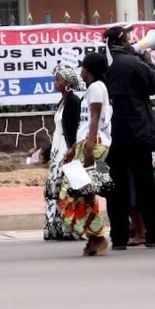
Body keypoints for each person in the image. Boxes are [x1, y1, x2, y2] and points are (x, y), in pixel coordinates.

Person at [102, 26, 155, 249]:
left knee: (115, 188)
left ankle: (119, 238)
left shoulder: (105, 63)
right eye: (129, 38)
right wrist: (148, 59)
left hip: (113, 135)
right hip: (137, 131)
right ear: (123, 41)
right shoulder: (132, 62)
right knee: (145, 186)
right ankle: (153, 235)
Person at [60, 52, 112, 256]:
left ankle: (98, 237)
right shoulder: (92, 89)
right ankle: (95, 237)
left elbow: (95, 117)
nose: (80, 71)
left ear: (88, 70)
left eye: (82, 67)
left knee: (74, 190)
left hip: (94, 145)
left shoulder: (96, 88)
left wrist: (89, 147)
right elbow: (85, 122)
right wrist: (74, 148)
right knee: (86, 193)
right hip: (86, 144)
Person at [45, 61, 83, 241]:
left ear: (67, 82)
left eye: (58, 79)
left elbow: (73, 130)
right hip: (57, 148)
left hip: (65, 150)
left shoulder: (73, 101)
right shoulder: (63, 100)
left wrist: (71, 152)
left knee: (65, 190)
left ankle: (68, 228)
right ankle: (56, 227)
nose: (55, 82)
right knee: (54, 188)